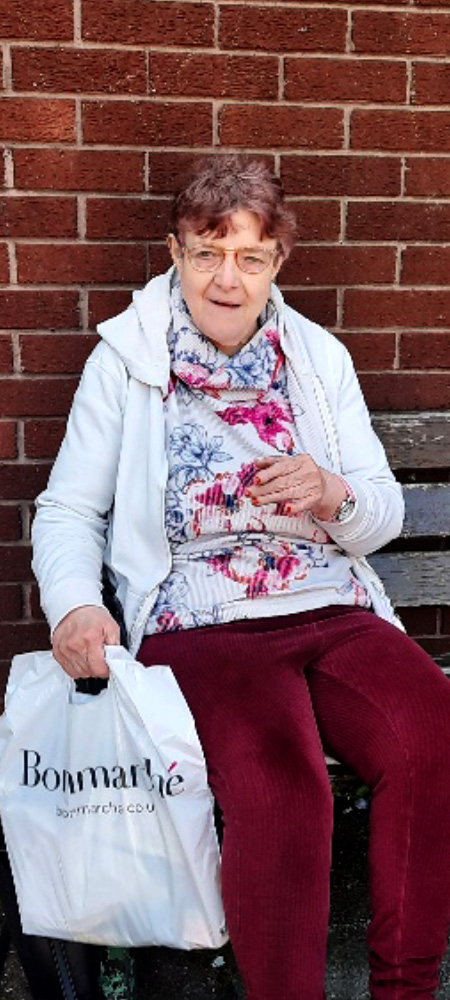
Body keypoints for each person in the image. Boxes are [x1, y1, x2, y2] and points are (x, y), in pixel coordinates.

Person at [32, 155, 450, 1000]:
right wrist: (74, 604)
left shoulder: (317, 357)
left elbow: (379, 510)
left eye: (251, 257)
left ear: (278, 261)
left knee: (433, 734)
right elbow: (69, 510)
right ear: (175, 253)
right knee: (283, 790)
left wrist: (331, 493)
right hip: (202, 619)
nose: (228, 279)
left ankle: (405, 991)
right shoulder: (125, 360)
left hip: (328, 600)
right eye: (207, 254)